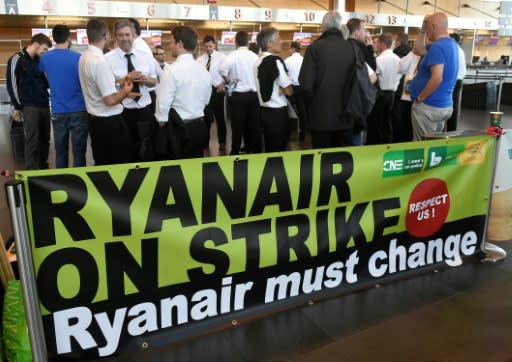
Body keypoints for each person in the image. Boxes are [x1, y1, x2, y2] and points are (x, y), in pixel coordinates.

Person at [78, 19, 139, 165]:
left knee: (102, 163)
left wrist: (122, 80)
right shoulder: (100, 62)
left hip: (95, 120)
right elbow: (110, 100)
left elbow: (99, 85)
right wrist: (126, 91)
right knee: (119, 163)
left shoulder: (84, 56)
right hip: (110, 124)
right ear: (106, 35)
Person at [299, 11, 355, 148]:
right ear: (339, 26)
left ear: (324, 26)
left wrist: (313, 108)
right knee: (342, 161)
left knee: (322, 163)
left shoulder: (314, 48)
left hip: (320, 119)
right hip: (346, 118)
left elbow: (306, 85)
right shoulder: (352, 48)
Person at [155, 25, 212, 159]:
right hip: (200, 128)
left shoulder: (171, 70)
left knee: (177, 172)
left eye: (171, 42)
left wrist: (162, 122)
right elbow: (206, 100)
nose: (170, 46)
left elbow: (163, 103)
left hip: (178, 130)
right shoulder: (203, 70)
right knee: (195, 171)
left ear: (179, 44)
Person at [105, 19, 158, 161]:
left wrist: (146, 80)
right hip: (123, 112)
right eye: (120, 35)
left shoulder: (146, 55)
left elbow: (155, 81)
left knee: (147, 150)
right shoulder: (107, 59)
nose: (125, 38)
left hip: (145, 110)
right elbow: (107, 87)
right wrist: (124, 81)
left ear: (133, 35)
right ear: (115, 37)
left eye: (127, 34)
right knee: (126, 152)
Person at [40, 24, 88, 168]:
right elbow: (83, 82)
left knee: (60, 151)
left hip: (58, 110)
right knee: (79, 151)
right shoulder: (79, 58)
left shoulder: (45, 58)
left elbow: (48, 79)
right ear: (69, 38)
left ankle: (62, 183)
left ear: (54, 39)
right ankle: (80, 186)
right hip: (79, 109)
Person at [409, 12, 459, 141]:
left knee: (422, 147)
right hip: (442, 106)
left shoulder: (438, 47)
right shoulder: (450, 44)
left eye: (428, 27)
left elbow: (437, 78)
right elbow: (418, 50)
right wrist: (423, 30)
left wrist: (420, 98)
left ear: (434, 26)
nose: (428, 31)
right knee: (433, 147)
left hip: (428, 107)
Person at [6, 33, 52, 170]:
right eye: (44, 49)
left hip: (44, 104)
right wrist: (17, 106)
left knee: (45, 139)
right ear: (36, 45)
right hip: (29, 105)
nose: (45, 52)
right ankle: (31, 171)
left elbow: (46, 84)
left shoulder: (40, 61)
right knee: (33, 139)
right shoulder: (17, 58)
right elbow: (12, 83)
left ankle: (43, 167)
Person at [219, 31, 261, 155]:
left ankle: (235, 151)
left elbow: (221, 69)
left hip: (238, 96)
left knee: (237, 126)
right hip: (254, 96)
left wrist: (229, 80)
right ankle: (254, 149)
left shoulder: (233, 55)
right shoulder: (254, 56)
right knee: (253, 125)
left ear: (235, 42)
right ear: (247, 42)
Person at [255, 27, 293, 152]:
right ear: (269, 44)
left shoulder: (258, 61)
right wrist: (281, 90)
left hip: (264, 113)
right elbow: (289, 90)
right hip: (278, 115)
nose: (281, 41)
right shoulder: (275, 62)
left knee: (270, 151)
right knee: (280, 151)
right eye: (278, 38)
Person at [366, 32, 401, 145]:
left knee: (377, 123)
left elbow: (373, 77)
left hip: (380, 95)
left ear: (382, 44)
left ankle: (376, 145)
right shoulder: (398, 59)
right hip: (392, 95)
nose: (376, 46)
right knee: (387, 122)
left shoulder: (379, 60)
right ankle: (387, 143)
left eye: (377, 43)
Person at [197, 35, 227, 151]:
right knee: (206, 119)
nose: (208, 48)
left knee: (220, 118)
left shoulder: (222, 57)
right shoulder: (200, 60)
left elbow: (229, 72)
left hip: (218, 90)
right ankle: (205, 142)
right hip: (204, 91)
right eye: (206, 46)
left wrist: (224, 84)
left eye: (210, 46)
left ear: (215, 45)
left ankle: (223, 142)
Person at [284, 41, 308, 141]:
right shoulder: (304, 60)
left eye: (289, 48)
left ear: (293, 49)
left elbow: (284, 76)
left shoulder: (287, 60)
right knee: (302, 111)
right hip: (302, 88)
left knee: (288, 111)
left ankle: (288, 134)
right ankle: (303, 134)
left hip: (290, 88)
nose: (289, 50)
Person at [396, 50, 421, 142]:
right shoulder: (413, 55)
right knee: (405, 125)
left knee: (415, 127)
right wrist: (413, 52)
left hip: (421, 99)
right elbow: (399, 68)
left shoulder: (432, 54)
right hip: (407, 98)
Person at [446, 33, 467, 131]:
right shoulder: (460, 50)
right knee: (453, 106)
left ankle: (446, 131)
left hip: (453, 81)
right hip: (459, 81)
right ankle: (451, 130)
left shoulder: (454, 51)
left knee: (448, 106)